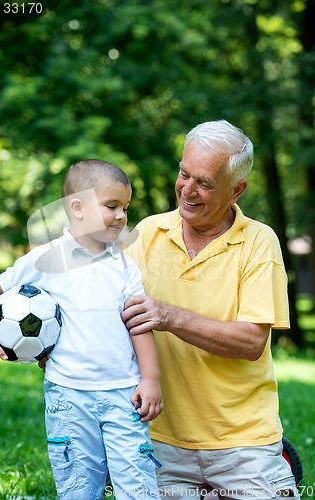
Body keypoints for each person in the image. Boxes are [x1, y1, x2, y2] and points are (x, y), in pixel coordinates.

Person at [121, 120, 300, 500]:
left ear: (237, 190)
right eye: (184, 174)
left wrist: (170, 316)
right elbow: (107, 311)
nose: (187, 190)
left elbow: (252, 341)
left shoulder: (258, 243)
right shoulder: (148, 233)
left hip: (243, 442)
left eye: (204, 183)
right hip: (159, 439)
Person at [0, 159, 163, 499]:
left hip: (124, 394)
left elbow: (140, 325)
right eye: (112, 206)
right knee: (78, 486)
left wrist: (150, 379)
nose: (122, 216)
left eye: (125, 207)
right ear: (77, 208)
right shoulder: (44, 260)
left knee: (138, 484)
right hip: (68, 395)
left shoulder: (124, 266)